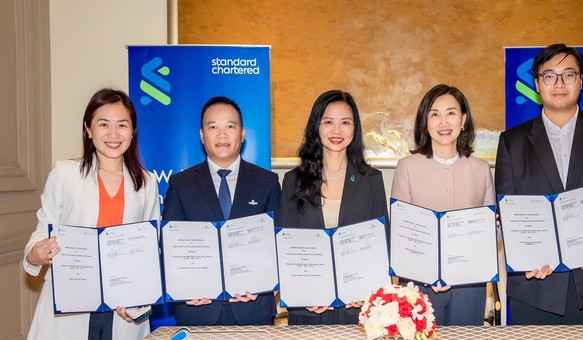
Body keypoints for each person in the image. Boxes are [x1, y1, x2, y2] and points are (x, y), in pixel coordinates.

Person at [23, 88, 160, 340]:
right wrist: (37, 253)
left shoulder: (146, 182)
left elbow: (150, 252)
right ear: (88, 129)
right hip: (70, 312)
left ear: (133, 130)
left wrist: (140, 298)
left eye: (122, 125)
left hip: (124, 314)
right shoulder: (64, 175)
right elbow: (38, 237)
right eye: (103, 124)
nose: (113, 134)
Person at [495, 43, 583, 325]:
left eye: (569, 74)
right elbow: (508, 207)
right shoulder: (512, 142)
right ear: (537, 83)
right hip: (536, 285)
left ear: (581, 81)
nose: (559, 83)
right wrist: (525, 255)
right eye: (549, 75)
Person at [163, 96, 281, 326]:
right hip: (198, 311)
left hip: (253, 310)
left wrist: (264, 282)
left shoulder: (267, 182)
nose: (222, 134)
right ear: (201, 135)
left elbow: (277, 242)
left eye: (230, 126)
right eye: (213, 127)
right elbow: (170, 246)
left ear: (242, 134)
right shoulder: (180, 184)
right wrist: (185, 288)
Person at [276, 90, 387, 325]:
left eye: (345, 123)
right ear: (316, 126)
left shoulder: (371, 180)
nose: (337, 131)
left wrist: (367, 290)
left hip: (357, 307)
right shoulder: (293, 181)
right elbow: (286, 244)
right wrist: (303, 292)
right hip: (309, 306)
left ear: (355, 129)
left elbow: (380, 244)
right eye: (328, 122)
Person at [391, 84, 495, 326]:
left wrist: (494, 228)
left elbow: (492, 230)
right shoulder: (407, 167)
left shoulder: (480, 169)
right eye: (434, 114)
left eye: (451, 113)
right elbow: (401, 231)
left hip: (469, 284)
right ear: (425, 122)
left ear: (464, 120)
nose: (443, 122)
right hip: (419, 284)